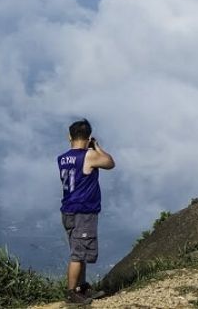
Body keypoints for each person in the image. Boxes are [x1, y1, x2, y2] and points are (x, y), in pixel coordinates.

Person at [57, 119, 115, 305]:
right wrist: (96, 146)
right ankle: (72, 293)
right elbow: (110, 163)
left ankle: (81, 287)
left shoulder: (62, 158)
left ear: (69, 137)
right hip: (83, 211)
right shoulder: (89, 155)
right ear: (88, 137)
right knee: (78, 254)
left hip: (68, 210)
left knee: (79, 251)